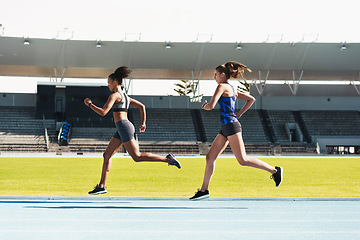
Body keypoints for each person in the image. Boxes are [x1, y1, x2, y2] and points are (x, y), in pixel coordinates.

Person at [189, 61, 282, 200]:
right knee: (210, 158)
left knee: (243, 160)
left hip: (231, 126)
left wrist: (204, 106)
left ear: (222, 74)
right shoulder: (232, 88)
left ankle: (275, 170)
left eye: (215, 75)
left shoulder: (221, 87)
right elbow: (251, 99)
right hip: (226, 127)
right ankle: (204, 190)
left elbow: (211, 105)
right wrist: (239, 113)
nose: (214, 77)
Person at [84, 66, 181, 195]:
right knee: (107, 155)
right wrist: (143, 123)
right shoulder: (125, 97)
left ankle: (168, 159)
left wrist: (90, 104)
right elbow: (142, 106)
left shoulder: (114, 96)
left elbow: (103, 112)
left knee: (137, 157)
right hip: (122, 127)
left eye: (108, 82)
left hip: (124, 127)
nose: (107, 85)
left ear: (115, 82)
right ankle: (102, 186)